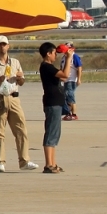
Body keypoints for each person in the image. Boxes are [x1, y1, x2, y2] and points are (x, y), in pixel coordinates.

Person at [0, 36, 37, 172]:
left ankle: (24, 160)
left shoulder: (15, 63)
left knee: (21, 129)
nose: (2, 47)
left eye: (4, 45)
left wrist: (20, 78)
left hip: (13, 98)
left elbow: (22, 82)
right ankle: (0, 161)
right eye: (0, 45)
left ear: (8, 46)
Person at [38, 42, 72, 173]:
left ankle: (53, 162)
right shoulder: (46, 67)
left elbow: (62, 77)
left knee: (55, 134)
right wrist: (68, 58)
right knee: (51, 133)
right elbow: (65, 75)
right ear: (48, 53)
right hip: (52, 103)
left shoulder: (50, 67)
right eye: (54, 53)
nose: (55, 56)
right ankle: (48, 164)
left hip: (56, 103)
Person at [61, 42, 83, 121]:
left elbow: (79, 68)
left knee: (70, 95)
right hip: (66, 80)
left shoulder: (74, 56)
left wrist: (79, 78)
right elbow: (62, 68)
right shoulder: (64, 57)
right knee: (66, 96)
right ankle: (68, 113)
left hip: (72, 80)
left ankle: (73, 114)